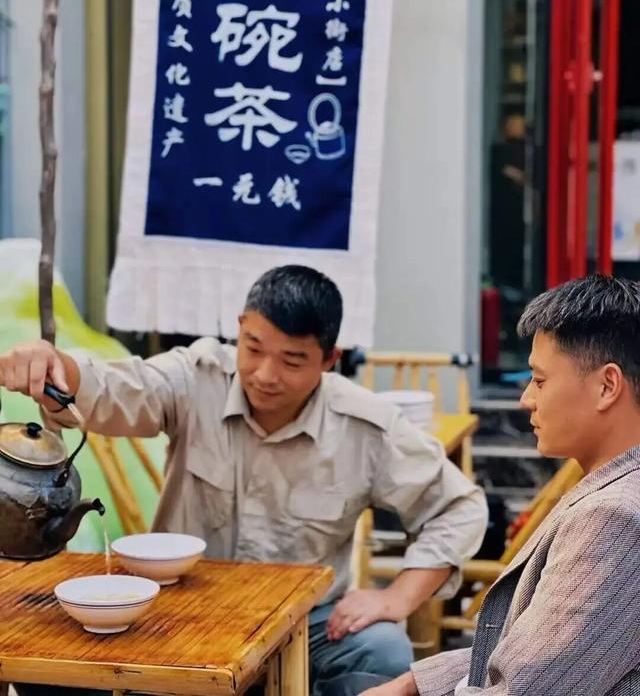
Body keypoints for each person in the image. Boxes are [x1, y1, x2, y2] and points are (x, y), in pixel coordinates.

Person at [0, 265, 487, 696]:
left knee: (381, 647)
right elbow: (114, 390)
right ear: (239, 329)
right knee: (46, 643)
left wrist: (397, 596)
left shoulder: (365, 427)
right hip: (175, 609)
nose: (265, 374)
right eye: (253, 348)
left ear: (329, 358)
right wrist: (56, 366)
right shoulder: (195, 377)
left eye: (292, 360)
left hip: (307, 624)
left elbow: (459, 507)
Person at [359, 274, 640, 696]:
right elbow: (533, 647)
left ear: (607, 386)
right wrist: (414, 682)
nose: (526, 398)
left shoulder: (614, 519)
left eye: (540, 380)